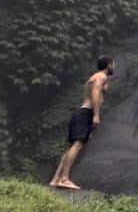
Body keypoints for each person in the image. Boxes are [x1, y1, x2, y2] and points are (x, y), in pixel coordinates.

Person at [49, 56, 114, 190]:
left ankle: (56, 179)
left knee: (72, 147)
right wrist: (95, 115)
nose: (115, 67)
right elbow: (95, 93)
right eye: (113, 64)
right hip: (87, 113)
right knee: (77, 146)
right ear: (108, 65)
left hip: (82, 113)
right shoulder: (101, 77)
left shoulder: (94, 77)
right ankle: (64, 178)